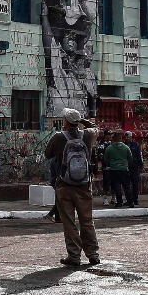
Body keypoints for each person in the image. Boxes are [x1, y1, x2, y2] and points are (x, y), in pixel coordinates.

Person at [44, 108, 100, 267]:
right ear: (78, 122)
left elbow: (48, 154)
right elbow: (96, 127)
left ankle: (74, 256)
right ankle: (93, 254)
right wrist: (82, 121)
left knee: (69, 222)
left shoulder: (58, 137)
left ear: (66, 122)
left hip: (65, 186)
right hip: (84, 185)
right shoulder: (88, 135)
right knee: (87, 221)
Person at [103, 130, 132, 208]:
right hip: (124, 169)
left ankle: (119, 202)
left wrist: (111, 165)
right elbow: (130, 158)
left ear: (113, 139)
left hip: (114, 170)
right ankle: (130, 202)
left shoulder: (109, 148)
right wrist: (126, 165)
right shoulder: (126, 148)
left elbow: (106, 159)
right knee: (127, 186)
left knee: (117, 186)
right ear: (121, 138)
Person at [125, 131, 143, 207]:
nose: (127, 138)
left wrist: (141, 165)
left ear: (131, 137)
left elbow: (139, 155)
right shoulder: (124, 145)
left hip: (134, 167)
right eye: (126, 137)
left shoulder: (135, 145)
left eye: (128, 137)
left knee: (135, 184)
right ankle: (129, 200)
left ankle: (135, 199)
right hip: (126, 167)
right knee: (127, 185)